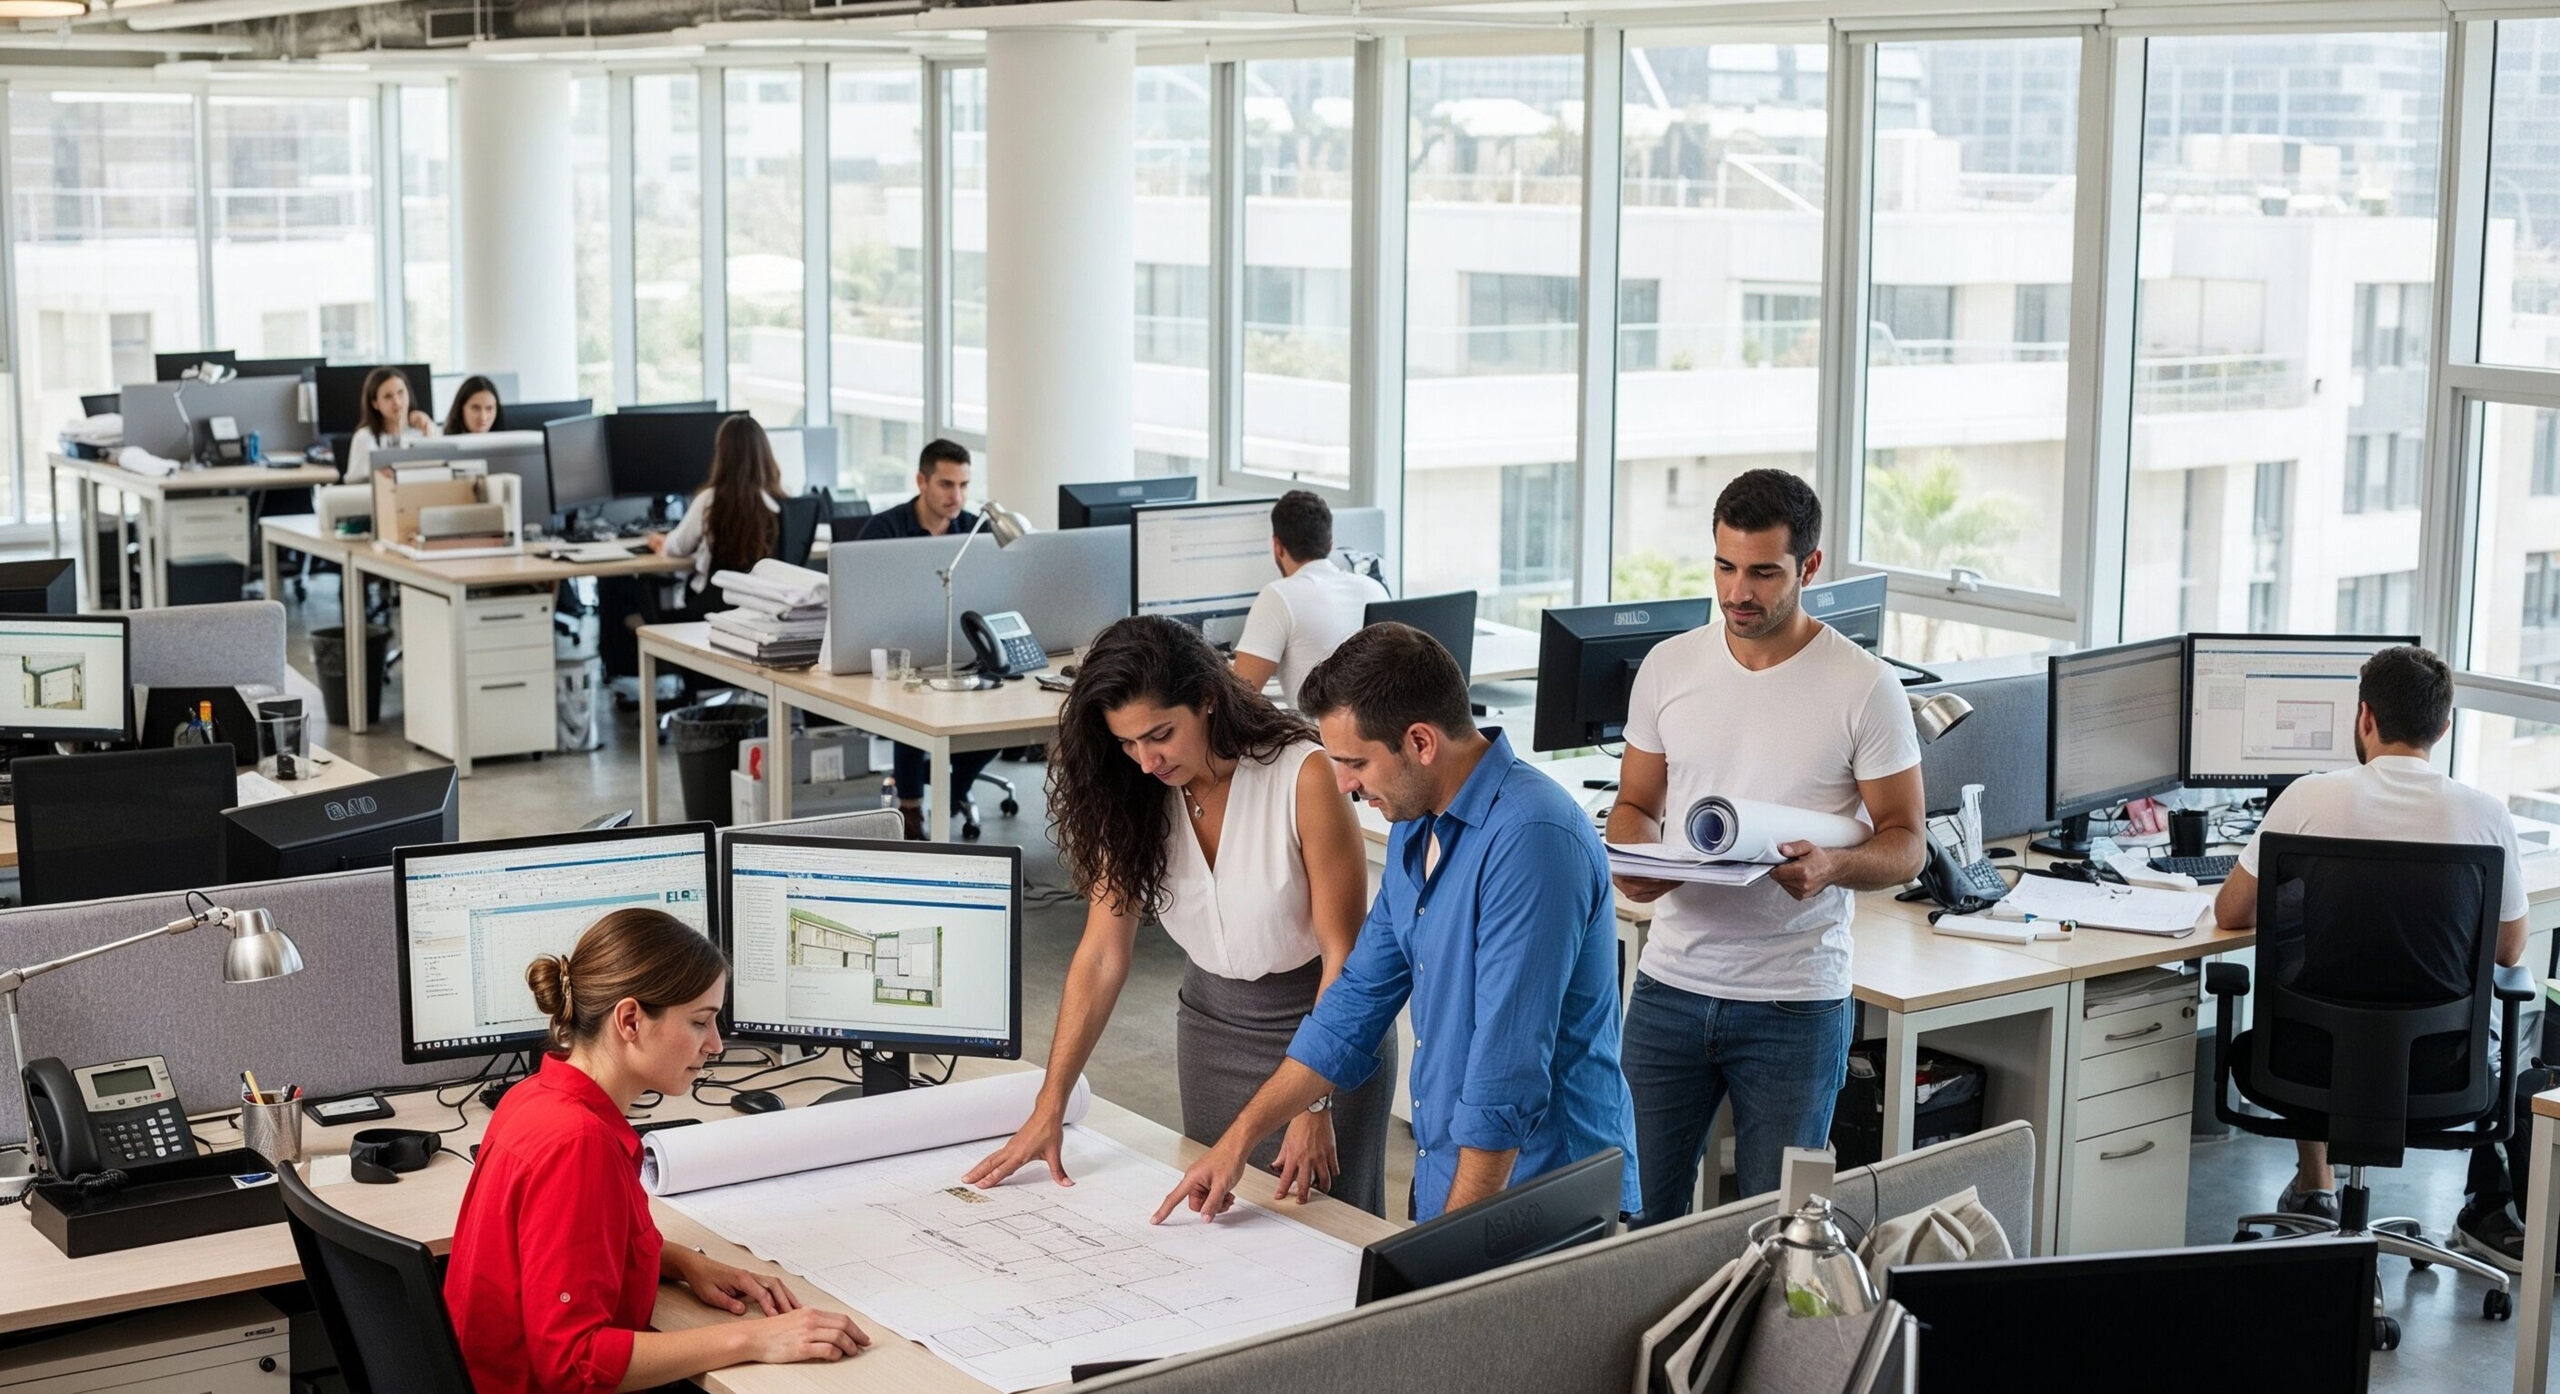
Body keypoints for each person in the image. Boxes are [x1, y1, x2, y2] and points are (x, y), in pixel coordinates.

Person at [1154, 623, 1640, 1225]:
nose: (1343, 783)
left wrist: (1450, 1253)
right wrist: (1237, 1143)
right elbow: (1353, 1006)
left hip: (1540, 1193)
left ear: (1420, 742)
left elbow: (1506, 1075)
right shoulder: (1417, 825)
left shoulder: (1533, 840)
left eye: (1355, 762)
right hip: (1451, 1172)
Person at [966, 616, 1395, 1215]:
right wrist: (1049, 1104)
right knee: (1219, 1224)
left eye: (1160, 735)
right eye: (1127, 743)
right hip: (1211, 1032)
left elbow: (1342, 956)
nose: (1145, 760)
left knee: (1327, 1229)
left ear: (1207, 700)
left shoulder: (1303, 774)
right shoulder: (1131, 792)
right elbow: (1101, 954)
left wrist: (1314, 1100)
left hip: (1322, 1031)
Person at [1605, 468, 1925, 1226]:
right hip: (1670, 987)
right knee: (1636, 1223)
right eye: (1724, 567)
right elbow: (1634, 806)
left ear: (1809, 566)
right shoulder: (1669, 667)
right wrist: (1639, 864)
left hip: (1794, 1002)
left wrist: (1834, 866)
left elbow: (1907, 843)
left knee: (1776, 1232)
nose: (1737, 592)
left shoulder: (1864, 686)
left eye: (1762, 573)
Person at [2212, 644, 2541, 1273]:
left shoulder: (2306, 799)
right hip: (2440, 1072)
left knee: (2321, 984)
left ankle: (2317, 1183)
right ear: (2443, 728)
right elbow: (2508, 949)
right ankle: (2486, 1203)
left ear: (2364, 717)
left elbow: (2230, 912)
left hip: (2303, 1064)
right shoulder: (2485, 815)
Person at [444, 908, 870, 1393]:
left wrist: (686, 1262)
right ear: (630, 1020)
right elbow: (575, 1364)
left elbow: (569, 1251)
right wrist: (755, 1338)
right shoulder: (578, 1145)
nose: (716, 1045)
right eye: (700, 1022)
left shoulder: (534, 1095)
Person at [851, 438, 996, 838]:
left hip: (962, 649)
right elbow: (856, 594)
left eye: (964, 485)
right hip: (899, 652)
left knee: (1000, 715)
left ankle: (951, 790)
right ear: (921, 481)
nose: (957, 497)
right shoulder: (885, 529)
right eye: (947, 484)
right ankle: (911, 811)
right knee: (914, 707)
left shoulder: (975, 530)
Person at [1232, 490, 1387, 706]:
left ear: (1277, 546)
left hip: (1317, 727)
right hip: (1376, 724)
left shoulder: (1278, 595)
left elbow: (1239, 696)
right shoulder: (1374, 589)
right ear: (1330, 544)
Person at [646, 415, 785, 599]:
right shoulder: (780, 502)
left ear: (722, 455)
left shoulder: (710, 499)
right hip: (763, 605)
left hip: (715, 605)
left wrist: (662, 542)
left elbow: (678, 547)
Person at [342, 366, 436, 482]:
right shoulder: (365, 437)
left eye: (401, 392)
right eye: (388, 396)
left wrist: (428, 430)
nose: (397, 402)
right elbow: (355, 481)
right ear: (375, 403)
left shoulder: (423, 428)